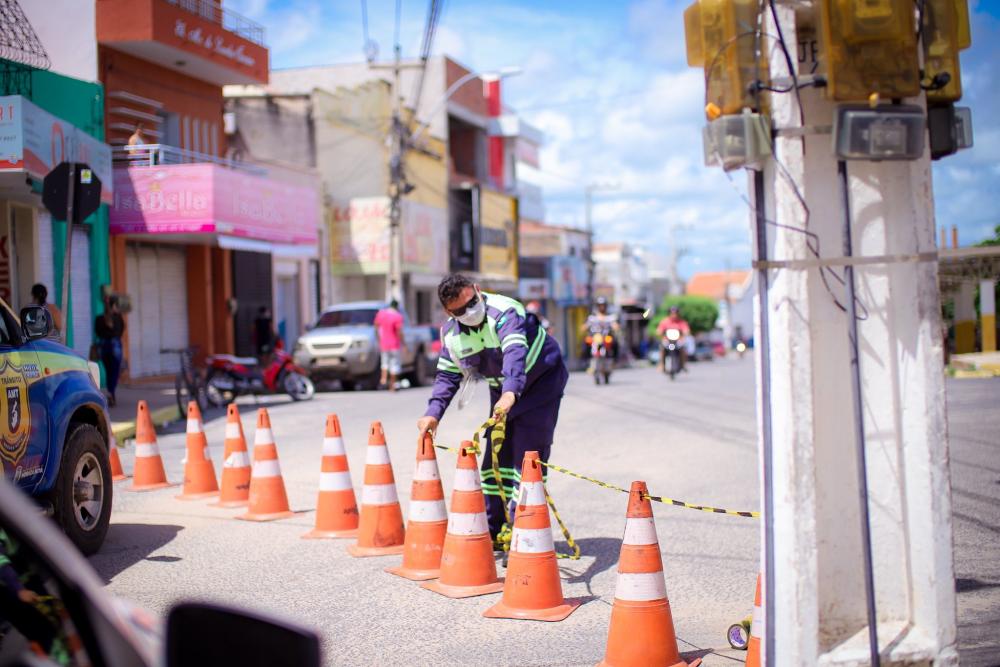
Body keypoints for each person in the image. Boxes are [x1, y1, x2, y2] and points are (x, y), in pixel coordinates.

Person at [416, 274, 568, 542]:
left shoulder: (504, 311)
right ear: (448, 312)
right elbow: (447, 376)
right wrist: (433, 413)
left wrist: (511, 392)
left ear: (477, 290)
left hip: (540, 381)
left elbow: (514, 353)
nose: (470, 311)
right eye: (460, 310)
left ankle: (522, 530)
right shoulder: (451, 335)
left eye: (472, 301)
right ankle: (495, 526)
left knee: (528, 452)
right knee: (496, 455)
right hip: (504, 390)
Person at [95, 295, 125, 407]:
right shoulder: (118, 318)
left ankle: (110, 393)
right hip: (115, 345)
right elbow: (121, 331)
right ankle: (111, 393)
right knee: (115, 372)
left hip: (103, 346)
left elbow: (97, 332)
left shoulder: (99, 319)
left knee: (108, 372)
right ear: (115, 305)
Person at [580, 297, 620, 372]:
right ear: (597, 306)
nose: (602, 307)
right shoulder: (592, 317)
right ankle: (586, 361)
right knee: (586, 343)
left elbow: (616, 326)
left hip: (606, 337)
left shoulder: (610, 317)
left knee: (615, 343)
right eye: (600, 305)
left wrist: (615, 326)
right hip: (595, 337)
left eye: (603, 305)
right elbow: (584, 326)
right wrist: (584, 327)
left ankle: (614, 360)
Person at [374, 299, 405, 391]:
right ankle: (392, 385)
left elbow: (376, 326)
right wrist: (403, 342)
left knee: (384, 363)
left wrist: (379, 339)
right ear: (397, 307)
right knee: (394, 365)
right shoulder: (398, 316)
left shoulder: (381, 314)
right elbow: (399, 331)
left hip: (384, 344)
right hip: (394, 344)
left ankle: (383, 380)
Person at [657, 306, 691, 373]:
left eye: (675, 313)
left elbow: (686, 330)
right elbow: (659, 331)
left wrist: (684, 335)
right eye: (672, 313)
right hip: (668, 340)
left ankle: (683, 364)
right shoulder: (665, 322)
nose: (674, 315)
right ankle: (661, 364)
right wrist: (661, 335)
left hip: (678, 340)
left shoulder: (681, 322)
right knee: (662, 348)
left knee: (682, 348)